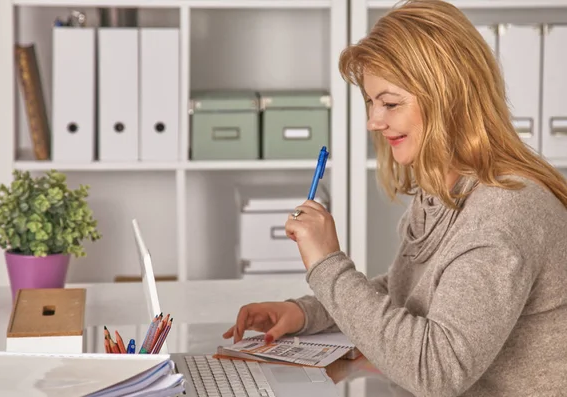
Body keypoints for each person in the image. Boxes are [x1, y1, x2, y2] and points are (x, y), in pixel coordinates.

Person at [223, 0, 567, 395]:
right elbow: (410, 295)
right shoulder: (445, 189)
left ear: (448, 98)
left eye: (389, 103)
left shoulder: (504, 213)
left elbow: (435, 370)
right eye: (371, 102)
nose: (373, 121)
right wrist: (307, 312)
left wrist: (326, 263)